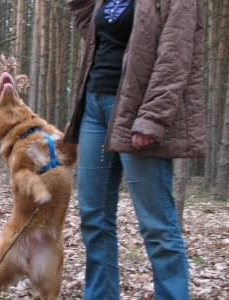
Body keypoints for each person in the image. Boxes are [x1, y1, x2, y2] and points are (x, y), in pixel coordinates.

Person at [64, 0, 206, 299]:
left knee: (157, 226)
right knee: (94, 218)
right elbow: (87, 25)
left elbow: (176, 56)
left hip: (136, 110)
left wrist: (152, 117)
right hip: (94, 107)